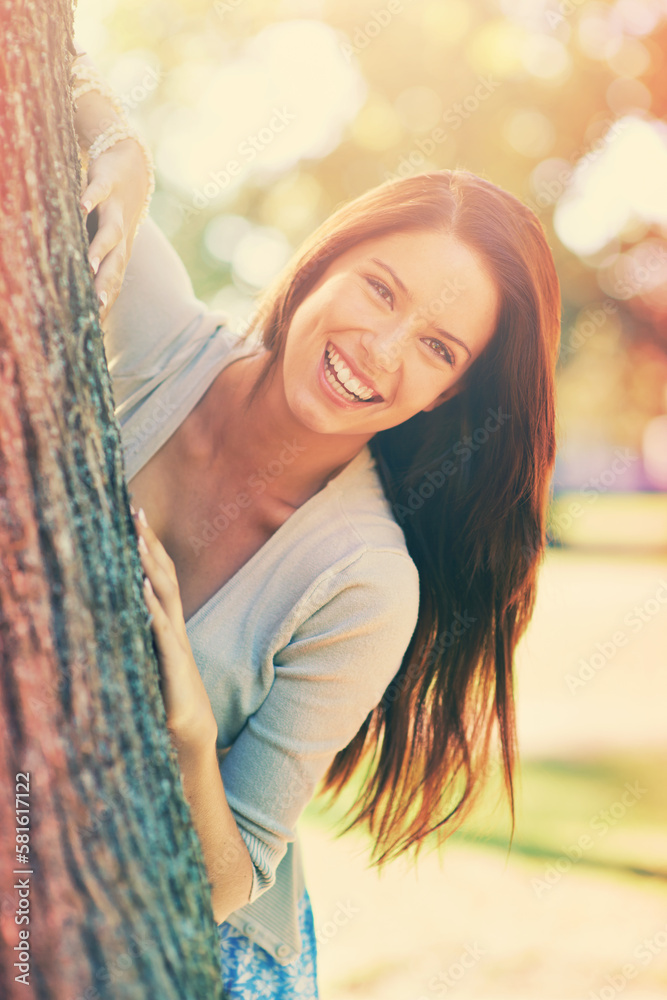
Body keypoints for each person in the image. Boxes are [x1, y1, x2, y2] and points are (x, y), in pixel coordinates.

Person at [72, 47, 560, 1000]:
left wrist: (182, 722)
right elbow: (37, 60)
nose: (375, 352)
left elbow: (227, 878)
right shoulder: (151, 328)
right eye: (379, 287)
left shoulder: (366, 583)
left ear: (448, 397)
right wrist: (124, 147)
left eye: (434, 346)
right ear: (326, 257)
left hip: (189, 948)